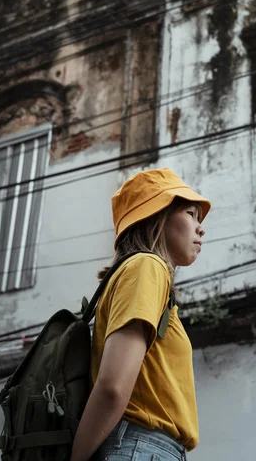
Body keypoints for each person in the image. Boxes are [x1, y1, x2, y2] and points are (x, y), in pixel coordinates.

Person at [71, 168, 211, 461]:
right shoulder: (147, 267)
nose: (201, 228)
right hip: (139, 447)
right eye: (190, 214)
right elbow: (113, 387)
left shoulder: (140, 274)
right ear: (156, 216)